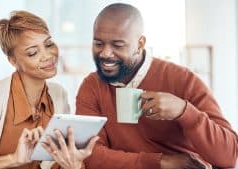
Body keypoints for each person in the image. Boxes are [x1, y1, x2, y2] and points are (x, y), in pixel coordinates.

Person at [76, 3, 238, 169]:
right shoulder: (92, 87)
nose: (105, 53)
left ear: (140, 44)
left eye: (117, 45)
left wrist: (184, 111)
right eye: (98, 44)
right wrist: (161, 162)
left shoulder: (182, 80)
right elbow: (89, 155)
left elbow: (229, 155)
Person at [0, 11, 98, 169]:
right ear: (13, 60)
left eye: (49, 44)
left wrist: (73, 165)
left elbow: (55, 162)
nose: (48, 55)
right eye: (33, 53)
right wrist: (13, 160)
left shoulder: (58, 95)